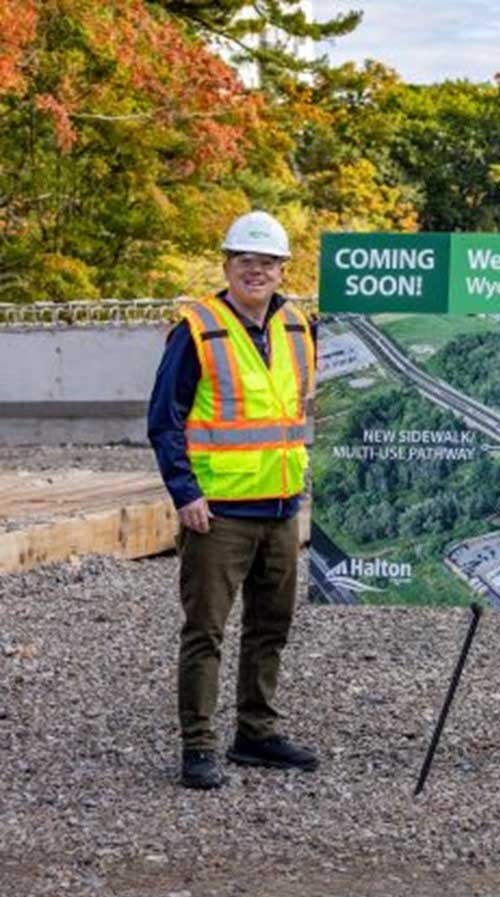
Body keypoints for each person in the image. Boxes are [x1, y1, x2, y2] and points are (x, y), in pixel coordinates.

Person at [148, 211, 319, 790]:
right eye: (246, 259)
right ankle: (198, 745)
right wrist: (184, 492)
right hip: (217, 511)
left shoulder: (298, 326)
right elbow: (164, 419)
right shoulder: (197, 329)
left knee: (272, 627)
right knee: (206, 631)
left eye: (268, 261)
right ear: (227, 264)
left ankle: (256, 734)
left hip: (280, 507)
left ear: (281, 269)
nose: (257, 269)